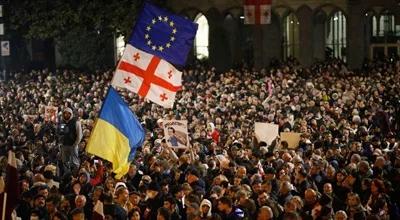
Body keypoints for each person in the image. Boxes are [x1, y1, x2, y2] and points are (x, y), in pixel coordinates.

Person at [58, 107, 82, 172]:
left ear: (71, 114)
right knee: (65, 162)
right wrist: (60, 143)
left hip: (73, 145)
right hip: (64, 145)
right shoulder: (61, 122)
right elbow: (60, 133)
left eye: (68, 113)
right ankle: (67, 175)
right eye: (65, 113)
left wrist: (75, 144)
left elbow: (79, 135)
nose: (66, 115)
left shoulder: (76, 122)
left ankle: (76, 174)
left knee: (74, 162)